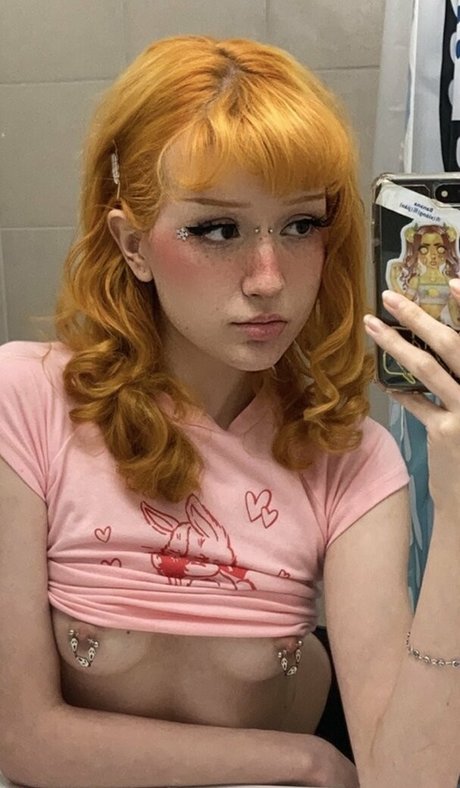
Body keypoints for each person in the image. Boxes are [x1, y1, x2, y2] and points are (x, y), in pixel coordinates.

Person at [0, 34, 458, 788]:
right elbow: (21, 735)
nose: (269, 278)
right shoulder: (27, 403)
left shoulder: (349, 458)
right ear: (133, 244)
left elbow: (405, 779)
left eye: (301, 225)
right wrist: (306, 758)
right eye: (218, 230)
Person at [386, 222, 460, 326]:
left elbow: (455, 318)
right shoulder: (417, 280)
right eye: (424, 249)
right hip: (418, 326)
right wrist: (393, 280)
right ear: (418, 253)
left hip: (441, 326)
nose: (433, 255)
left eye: (440, 248)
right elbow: (404, 304)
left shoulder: (449, 282)